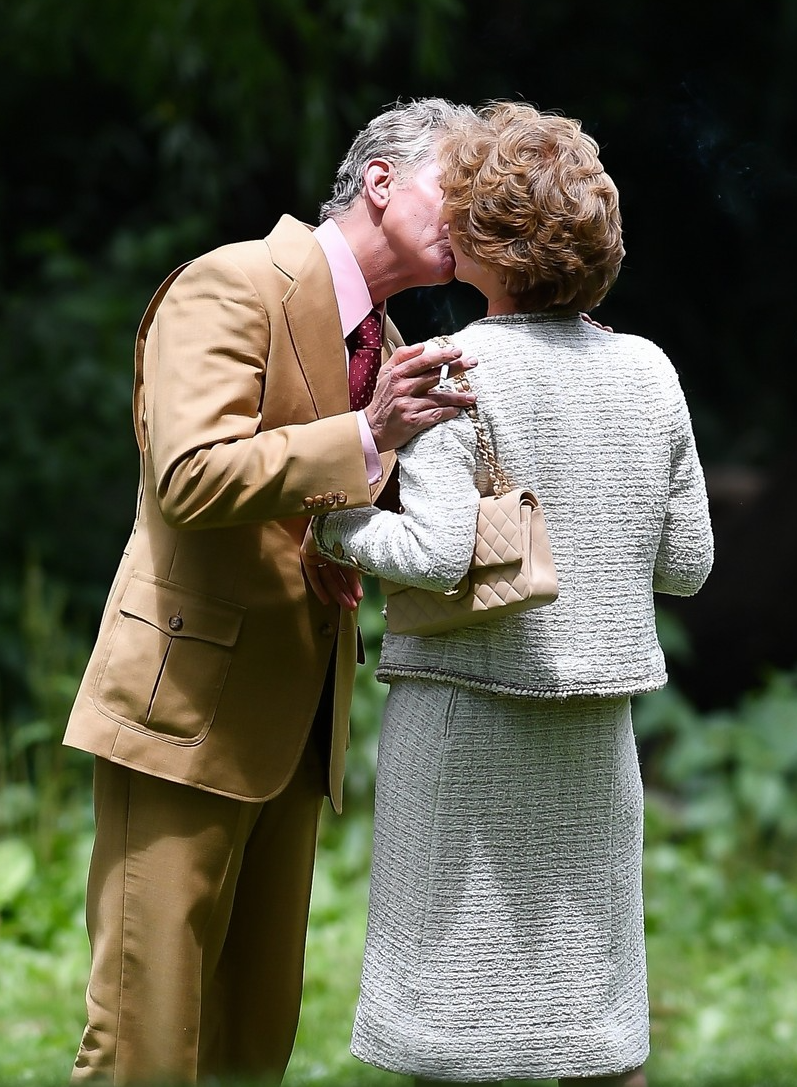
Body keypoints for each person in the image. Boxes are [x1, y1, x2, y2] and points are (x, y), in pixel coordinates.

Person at [62, 96, 480, 1086]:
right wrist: (368, 437)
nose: (482, 211)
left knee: (252, 1049)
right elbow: (190, 475)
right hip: (184, 712)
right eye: (458, 188)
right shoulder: (230, 282)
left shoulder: (382, 337)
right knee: (144, 1043)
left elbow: (325, 505)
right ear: (379, 182)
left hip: (296, 730)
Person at [304, 100, 714, 1087]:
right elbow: (686, 563)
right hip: (590, 742)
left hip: (462, 730)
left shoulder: (454, 366)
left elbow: (438, 551)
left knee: (450, 1022)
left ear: (484, 242)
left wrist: (326, 520)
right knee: (590, 1019)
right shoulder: (647, 371)